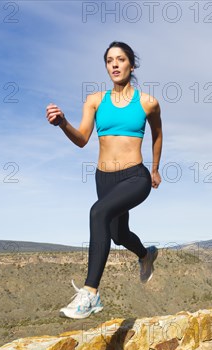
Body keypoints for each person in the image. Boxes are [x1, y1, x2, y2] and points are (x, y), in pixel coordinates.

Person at [45, 41, 163, 319]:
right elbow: (82, 139)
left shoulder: (148, 102)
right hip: (104, 178)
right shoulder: (95, 100)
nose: (115, 64)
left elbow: (158, 135)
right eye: (110, 60)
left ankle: (91, 293)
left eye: (120, 59)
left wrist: (156, 169)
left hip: (136, 176)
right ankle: (146, 255)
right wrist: (63, 123)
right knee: (118, 235)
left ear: (131, 65)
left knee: (97, 212)